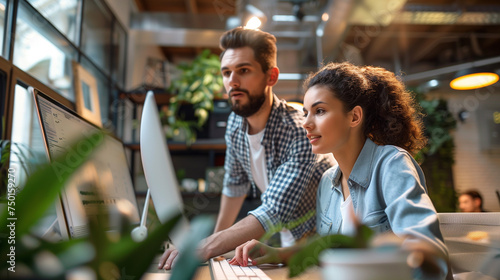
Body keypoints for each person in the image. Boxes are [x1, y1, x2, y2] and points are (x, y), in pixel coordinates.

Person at [230, 62, 452, 280]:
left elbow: (432, 262)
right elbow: (330, 255)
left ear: (354, 117)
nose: (306, 123)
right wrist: (278, 254)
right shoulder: (327, 182)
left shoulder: (392, 164)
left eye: (319, 111)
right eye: (306, 112)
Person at [158, 27, 333, 269]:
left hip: (323, 249)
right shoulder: (235, 124)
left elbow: (272, 211)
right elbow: (234, 185)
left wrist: (202, 247)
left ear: (271, 77)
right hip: (285, 244)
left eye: (244, 70)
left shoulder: (300, 132)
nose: (232, 81)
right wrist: (211, 253)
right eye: (226, 72)